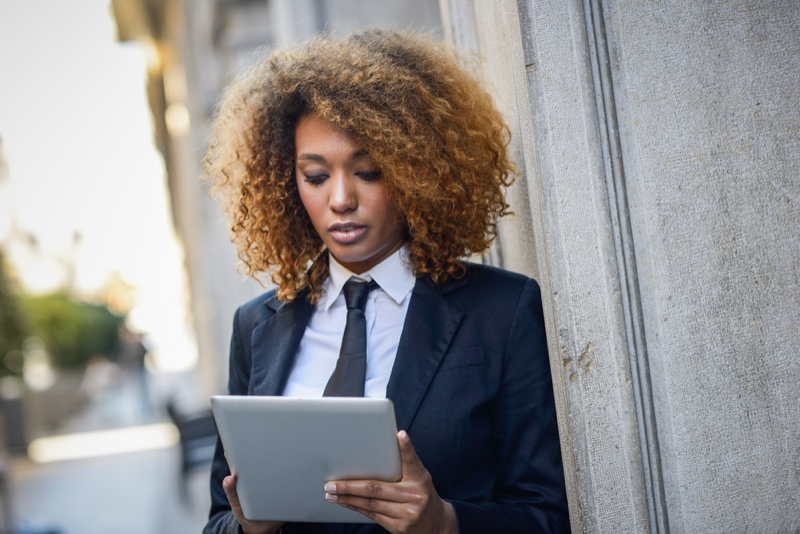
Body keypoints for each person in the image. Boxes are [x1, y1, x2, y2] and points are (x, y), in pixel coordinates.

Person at [203, 28, 569, 534]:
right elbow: (219, 518)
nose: (341, 199)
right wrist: (249, 528)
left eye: (369, 171)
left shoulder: (501, 313)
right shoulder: (255, 327)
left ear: (417, 170)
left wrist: (445, 522)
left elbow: (547, 516)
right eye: (315, 176)